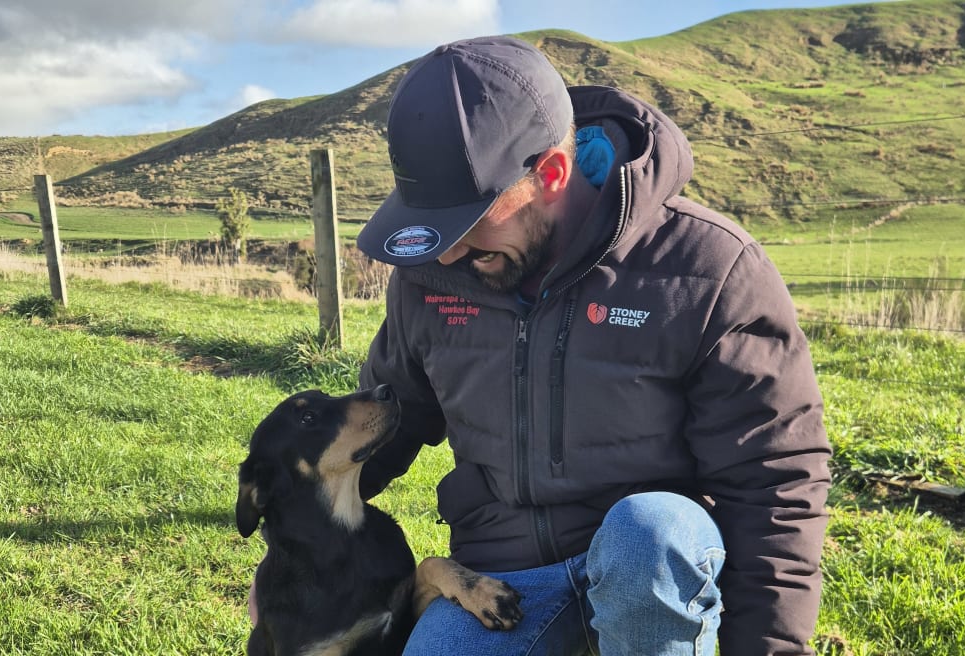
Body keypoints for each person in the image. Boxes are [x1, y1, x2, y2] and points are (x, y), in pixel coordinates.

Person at [285, 35, 831, 655]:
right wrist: (293, 555)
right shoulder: (430, 277)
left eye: (469, 221)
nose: (449, 250)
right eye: (436, 225)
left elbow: (774, 481)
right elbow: (386, 422)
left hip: (650, 570)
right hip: (503, 574)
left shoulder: (708, 269)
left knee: (646, 532)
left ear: (551, 173)